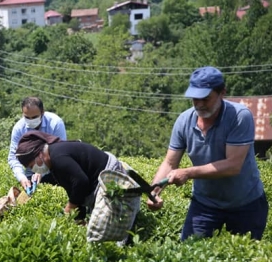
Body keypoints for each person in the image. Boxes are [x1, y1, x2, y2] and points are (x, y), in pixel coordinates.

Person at [148, 66, 268, 240]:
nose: (199, 104)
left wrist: (188, 173)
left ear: (222, 93)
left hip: (246, 204)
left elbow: (233, 166)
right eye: (195, 99)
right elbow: (170, 163)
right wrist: (154, 192)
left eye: (205, 98)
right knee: (190, 256)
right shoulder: (184, 121)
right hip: (205, 204)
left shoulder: (239, 116)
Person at [16, 131, 129, 224]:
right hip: (97, 181)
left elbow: (81, 182)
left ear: (39, 155)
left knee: (109, 226)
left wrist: (70, 207)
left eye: (32, 165)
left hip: (110, 175)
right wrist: (78, 218)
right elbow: (74, 188)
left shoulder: (58, 157)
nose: (34, 170)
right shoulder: (53, 161)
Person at [8, 96, 67, 190]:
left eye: (34, 117)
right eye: (27, 117)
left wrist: (41, 171)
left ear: (42, 112)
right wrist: (21, 177)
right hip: (31, 170)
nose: (31, 121)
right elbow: (13, 157)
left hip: (53, 167)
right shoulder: (19, 128)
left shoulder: (55, 123)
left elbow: (60, 153)